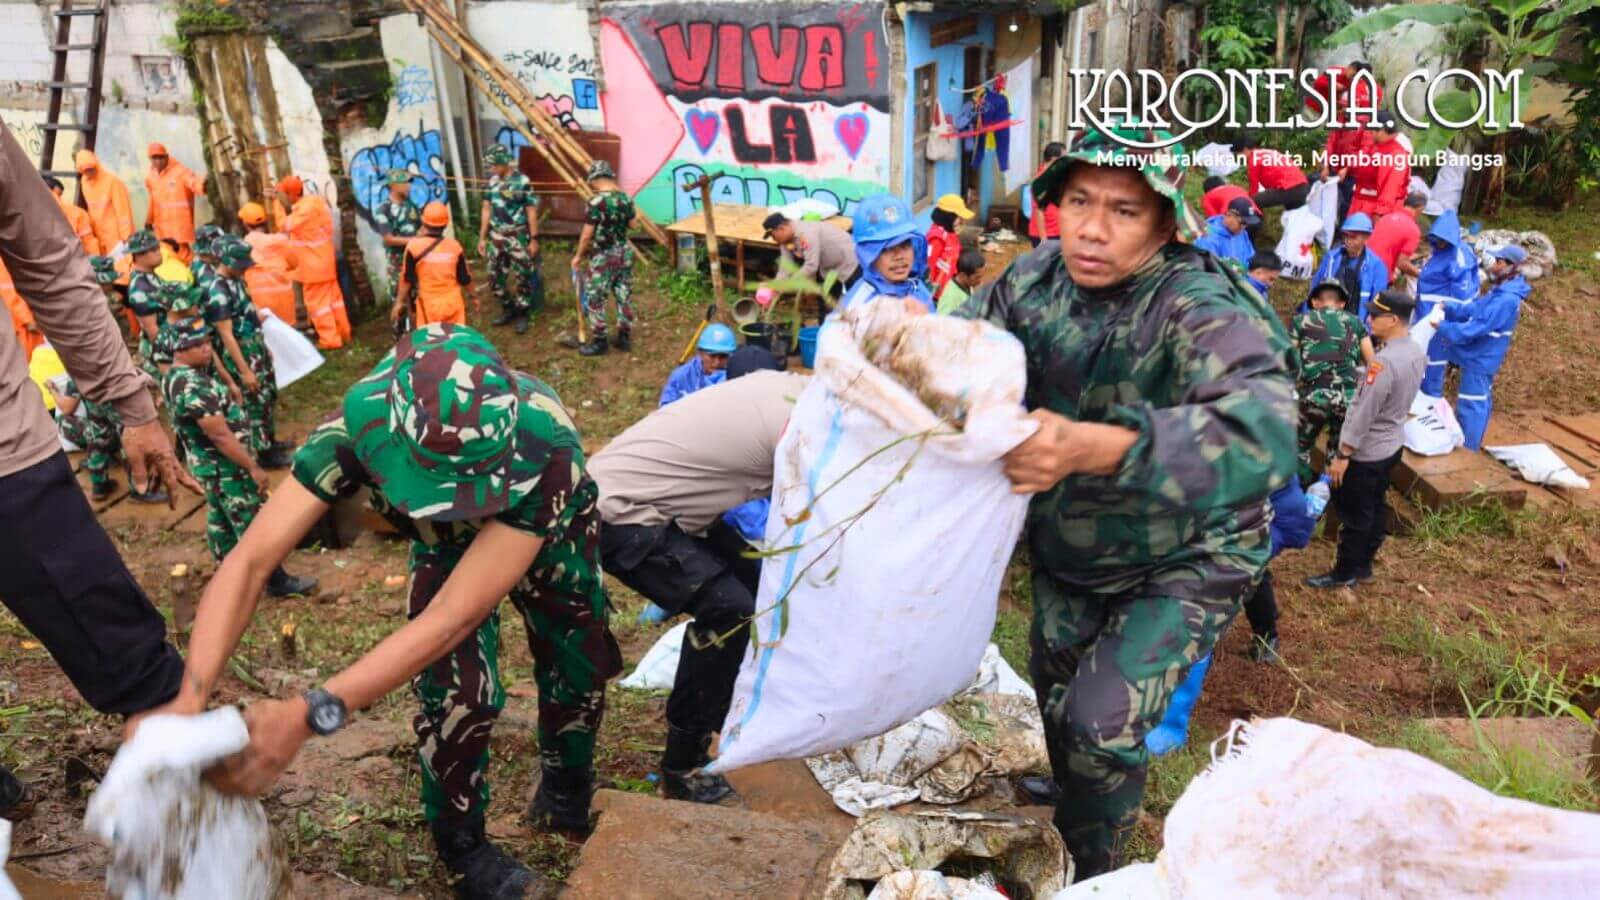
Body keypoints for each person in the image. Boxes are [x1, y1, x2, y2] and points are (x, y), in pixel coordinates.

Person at [131, 323, 620, 898]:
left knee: (577, 659)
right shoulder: (358, 428)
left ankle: (566, 785)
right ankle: (462, 843)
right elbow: (249, 562)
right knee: (459, 694)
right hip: (443, 537)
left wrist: (309, 712)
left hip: (545, 523)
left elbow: (454, 616)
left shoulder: (547, 444)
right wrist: (191, 694)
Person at [956, 121, 1296, 879]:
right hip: (1075, 542)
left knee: (1099, 725)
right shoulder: (1033, 281)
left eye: (1124, 210)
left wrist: (1096, 445)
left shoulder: (1195, 303)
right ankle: (1079, 797)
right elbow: (964, 352)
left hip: (1189, 551)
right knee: (1058, 711)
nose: (1093, 229)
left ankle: (1090, 873)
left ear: (1166, 221)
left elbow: (1267, 434)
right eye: (1079, 201)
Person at [0, 115, 198, 817]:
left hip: (6, 455)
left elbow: (52, 267)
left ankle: (204, 822)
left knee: (120, 640)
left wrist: (132, 405)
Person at [591, 369, 810, 803]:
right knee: (730, 610)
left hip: (673, 507)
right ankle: (684, 763)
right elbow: (811, 521)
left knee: (764, 588)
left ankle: (734, 717)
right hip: (621, 511)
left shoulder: (793, 389)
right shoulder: (802, 426)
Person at [1143, 475, 1315, 752]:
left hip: (1258, 533)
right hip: (1221, 526)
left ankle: (1169, 725)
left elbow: (1294, 527)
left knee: (1202, 615)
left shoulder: (1270, 477)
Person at [161, 314, 316, 596]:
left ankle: (227, 573)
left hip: (209, 467)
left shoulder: (175, 377)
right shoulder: (192, 385)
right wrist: (252, 467)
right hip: (226, 467)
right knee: (251, 521)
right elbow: (219, 435)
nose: (207, 348)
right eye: (199, 345)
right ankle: (274, 580)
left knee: (220, 518)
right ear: (181, 351)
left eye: (208, 342)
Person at [1307, 290, 1424, 589]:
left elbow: (1363, 413)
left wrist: (1343, 455)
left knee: (1354, 514)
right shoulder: (1415, 352)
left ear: (1394, 319)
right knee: (1374, 506)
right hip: (1392, 444)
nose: (1369, 319)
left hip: (1366, 451)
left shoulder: (1382, 364)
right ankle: (1364, 565)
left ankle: (1344, 572)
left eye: (1375, 315)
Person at [1421, 245, 1530, 450]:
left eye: (1499, 261)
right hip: (1480, 355)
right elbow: (1476, 309)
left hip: (1482, 358)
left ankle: (1469, 449)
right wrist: (1451, 306)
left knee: (1472, 403)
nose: (1494, 265)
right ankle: (1470, 443)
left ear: (1511, 266)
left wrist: (1444, 327)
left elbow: (1476, 327)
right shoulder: (1501, 291)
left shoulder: (1506, 299)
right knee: (1477, 400)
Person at [210, 236, 292, 468]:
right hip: (242, 352)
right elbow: (226, 335)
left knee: (267, 396)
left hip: (254, 346)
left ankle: (270, 440)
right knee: (254, 402)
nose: (245, 267)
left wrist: (263, 347)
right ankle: (264, 454)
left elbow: (248, 316)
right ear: (226, 261)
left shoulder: (237, 280)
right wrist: (245, 371)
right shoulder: (218, 291)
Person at [1292, 279, 1376, 485]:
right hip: (1348, 399)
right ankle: (1326, 496)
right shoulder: (1355, 322)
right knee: (1337, 455)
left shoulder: (1301, 321)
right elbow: (1372, 362)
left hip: (1313, 397)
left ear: (1314, 302)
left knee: (1297, 449)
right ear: (1342, 304)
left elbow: (1290, 363)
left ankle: (1298, 495)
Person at [571, 160, 637, 356]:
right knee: (623, 293)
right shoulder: (625, 198)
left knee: (596, 297)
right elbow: (633, 225)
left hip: (603, 256)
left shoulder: (596, 202)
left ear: (596, 178)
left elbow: (586, 235)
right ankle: (624, 337)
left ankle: (600, 341)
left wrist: (577, 256)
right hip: (624, 252)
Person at [278, 175, 350, 350]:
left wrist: (276, 204)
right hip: (326, 261)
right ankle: (343, 333)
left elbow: (284, 226)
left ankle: (329, 339)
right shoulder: (316, 203)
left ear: (291, 195)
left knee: (319, 306)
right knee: (335, 300)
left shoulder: (303, 212)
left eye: (283, 194)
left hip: (312, 267)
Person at [478, 144, 542, 335]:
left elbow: (531, 211)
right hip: (496, 235)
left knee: (523, 275)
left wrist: (534, 239)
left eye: (494, 165)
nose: (491, 169)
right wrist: (482, 237)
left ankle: (523, 312)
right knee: (493, 276)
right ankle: (508, 307)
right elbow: (486, 209)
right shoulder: (491, 182)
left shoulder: (522, 182)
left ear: (503, 162)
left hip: (518, 235)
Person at [839, 194, 934, 313]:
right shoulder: (859, 307)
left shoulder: (916, 288)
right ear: (868, 256)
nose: (899, 256)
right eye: (887, 249)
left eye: (905, 245)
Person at [393, 201, 471, 329]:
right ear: (445, 224)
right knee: (455, 341)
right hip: (453, 303)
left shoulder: (413, 247)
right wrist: (473, 296)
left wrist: (399, 302)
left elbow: (406, 279)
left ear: (423, 223)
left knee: (431, 343)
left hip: (428, 306)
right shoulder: (455, 247)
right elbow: (465, 278)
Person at [1305, 213, 1389, 319]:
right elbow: (1314, 289)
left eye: (1353, 237)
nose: (1348, 241)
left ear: (1366, 237)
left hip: (1356, 324)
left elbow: (1377, 304)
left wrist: (1365, 330)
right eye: (1346, 236)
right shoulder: (1331, 258)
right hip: (1327, 319)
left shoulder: (1376, 266)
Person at [763, 211, 860, 296]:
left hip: (848, 262)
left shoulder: (806, 234)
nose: (774, 239)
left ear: (781, 228)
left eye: (773, 236)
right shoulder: (784, 241)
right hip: (828, 268)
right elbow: (786, 266)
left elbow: (811, 266)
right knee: (827, 303)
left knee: (855, 302)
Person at [1413, 210, 1480, 322]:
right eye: (1437, 238)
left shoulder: (1459, 257)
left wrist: (1452, 313)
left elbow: (1463, 293)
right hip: (1426, 305)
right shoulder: (1439, 251)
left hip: (1438, 311)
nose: (1440, 243)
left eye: (1443, 239)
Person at [144, 143, 206, 261]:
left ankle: (189, 277)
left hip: (179, 227)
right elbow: (153, 199)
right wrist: (149, 220)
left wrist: (204, 185)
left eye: (160, 157)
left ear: (166, 156)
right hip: (161, 228)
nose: (157, 161)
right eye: (154, 158)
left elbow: (193, 182)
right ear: (150, 159)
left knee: (184, 257)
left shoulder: (180, 171)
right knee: (167, 257)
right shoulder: (151, 176)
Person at [239, 201, 298, 325]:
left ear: (245, 223)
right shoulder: (279, 241)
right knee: (288, 333)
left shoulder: (243, 245)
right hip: (283, 295)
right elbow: (294, 262)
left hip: (260, 299)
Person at [122, 229, 170, 380]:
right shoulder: (140, 287)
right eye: (154, 250)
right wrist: (168, 366)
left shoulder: (150, 277)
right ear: (140, 254)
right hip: (160, 355)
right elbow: (153, 330)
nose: (159, 252)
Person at [1347, 113, 1410, 221]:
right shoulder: (1377, 145)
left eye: (1371, 131)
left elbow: (1390, 187)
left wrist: (1381, 212)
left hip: (1375, 207)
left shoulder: (1394, 153)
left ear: (1381, 130)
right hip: (1362, 202)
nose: (1369, 133)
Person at [75, 148, 135, 255]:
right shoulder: (84, 182)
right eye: (85, 170)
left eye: (91, 169)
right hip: (97, 235)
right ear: (80, 170)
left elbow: (123, 210)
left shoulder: (113, 181)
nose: (89, 172)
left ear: (96, 165)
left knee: (120, 266)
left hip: (115, 235)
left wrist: (127, 236)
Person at [374, 168, 422, 302]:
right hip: (398, 264)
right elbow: (388, 239)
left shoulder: (411, 206)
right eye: (406, 182)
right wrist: (416, 240)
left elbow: (420, 226)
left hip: (417, 260)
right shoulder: (384, 209)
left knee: (420, 299)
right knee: (401, 302)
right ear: (394, 185)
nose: (409, 186)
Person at [660, 323, 734, 407]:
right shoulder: (682, 376)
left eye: (723, 356)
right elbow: (665, 408)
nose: (717, 362)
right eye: (712, 356)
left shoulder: (736, 375)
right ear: (701, 353)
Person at [1235, 133, 1309, 211]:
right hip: (1302, 187)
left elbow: (1254, 188)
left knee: (1251, 202)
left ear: (1245, 150)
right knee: (1294, 215)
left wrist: (1247, 198)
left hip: (1288, 188)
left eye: (1239, 154)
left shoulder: (1253, 159)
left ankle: (1255, 223)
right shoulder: (1269, 152)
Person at [926, 193, 976, 301]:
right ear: (949, 217)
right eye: (958, 217)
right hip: (940, 294)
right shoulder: (937, 239)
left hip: (951, 287)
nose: (961, 221)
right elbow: (929, 267)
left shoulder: (950, 233)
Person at [1369, 191, 1427, 280]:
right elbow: (1402, 263)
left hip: (1364, 266)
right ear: (1420, 208)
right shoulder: (1413, 230)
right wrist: (1423, 275)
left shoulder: (1386, 218)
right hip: (1379, 276)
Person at [1194, 196, 1260, 271]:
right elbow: (1209, 270)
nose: (1244, 227)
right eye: (1242, 223)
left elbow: (1251, 258)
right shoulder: (1208, 238)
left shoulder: (1242, 233)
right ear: (1229, 216)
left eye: (1247, 224)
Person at [44, 173, 99, 255]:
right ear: (55, 190)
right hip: (71, 261)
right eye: (59, 194)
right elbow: (89, 244)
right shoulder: (78, 213)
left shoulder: (27, 209)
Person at [1027, 142, 1065, 246]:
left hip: (1056, 232)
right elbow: (1039, 211)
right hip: (1046, 234)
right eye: (1063, 159)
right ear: (1054, 159)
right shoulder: (1042, 180)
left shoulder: (1054, 177)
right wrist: (1044, 240)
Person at [936, 248, 987, 315]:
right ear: (963, 275)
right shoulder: (951, 298)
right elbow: (942, 322)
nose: (980, 281)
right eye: (977, 277)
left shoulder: (967, 285)